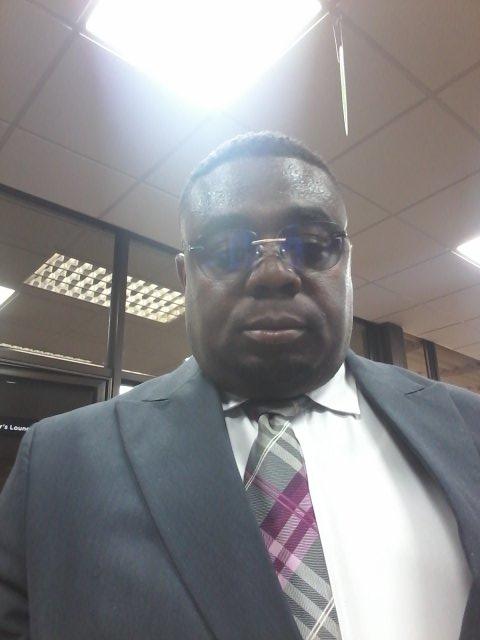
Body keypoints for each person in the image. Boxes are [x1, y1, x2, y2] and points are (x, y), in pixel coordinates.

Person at [0, 131, 479, 640]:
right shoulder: (59, 464)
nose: (273, 274)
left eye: (312, 244)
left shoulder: (469, 428)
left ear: (347, 263)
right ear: (185, 278)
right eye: (227, 249)